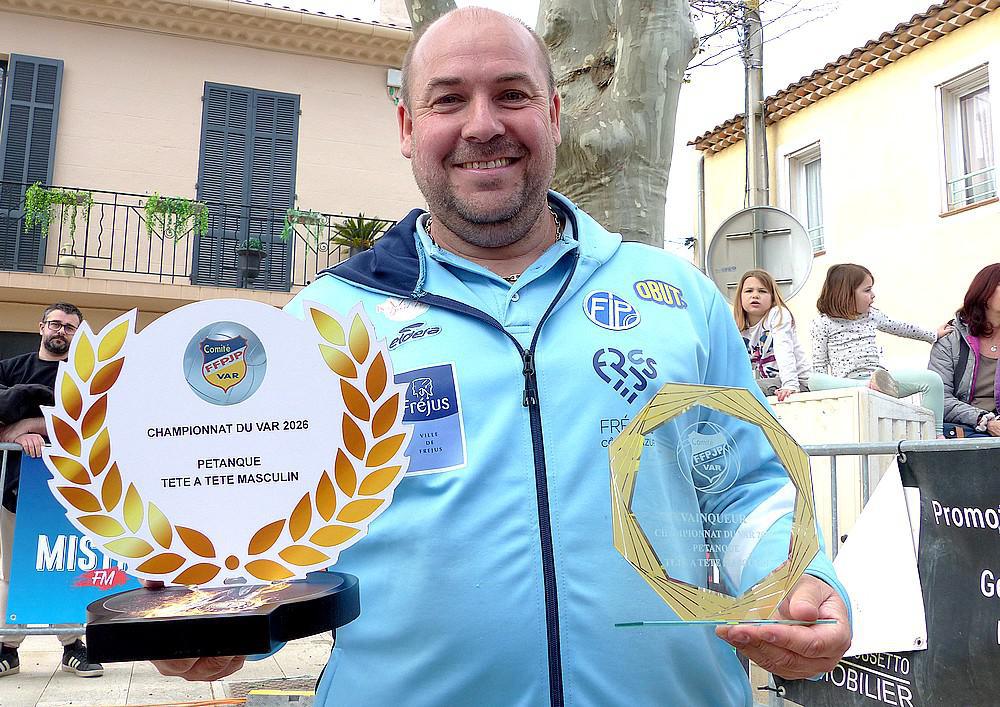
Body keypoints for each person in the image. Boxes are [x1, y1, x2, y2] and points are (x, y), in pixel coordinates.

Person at [152, 8, 851, 704]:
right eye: (449, 99)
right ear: (407, 127)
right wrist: (214, 616)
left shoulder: (679, 298)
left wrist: (792, 577)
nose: (483, 125)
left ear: (554, 115)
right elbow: (261, 521)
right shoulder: (326, 322)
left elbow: (745, 483)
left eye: (512, 94)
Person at [0, 303, 104, 678]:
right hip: (15, 489)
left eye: (70, 327)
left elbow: (91, 420)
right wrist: (11, 434)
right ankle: (7, 649)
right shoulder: (11, 369)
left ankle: (72, 646)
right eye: (56, 324)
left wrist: (30, 423)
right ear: (41, 326)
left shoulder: (85, 376)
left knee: (65, 567)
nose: (61, 331)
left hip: (73, 491)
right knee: (13, 572)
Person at [809, 263, 951, 436]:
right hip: (847, 385)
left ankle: (935, 435)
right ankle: (866, 386)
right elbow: (820, 365)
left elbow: (901, 327)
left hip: (882, 381)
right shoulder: (822, 323)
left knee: (933, 380)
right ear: (846, 294)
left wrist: (933, 334)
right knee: (814, 380)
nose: (873, 295)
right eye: (867, 290)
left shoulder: (871, 315)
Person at [928, 263, 1000, 438]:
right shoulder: (950, 339)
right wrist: (984, 420)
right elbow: (939, 398)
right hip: (965, 428)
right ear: (985, 292)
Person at [734, 269, 810, 401]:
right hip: (772, 383)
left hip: (796, 381)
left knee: (746, 390)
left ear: (772, 297)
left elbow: (783, 349)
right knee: (733, 390)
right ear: (740, 297)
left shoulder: (778, 314)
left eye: (762, 291)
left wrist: (790, 385)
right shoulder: (738, 326)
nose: (755, 295)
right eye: (749, 291)